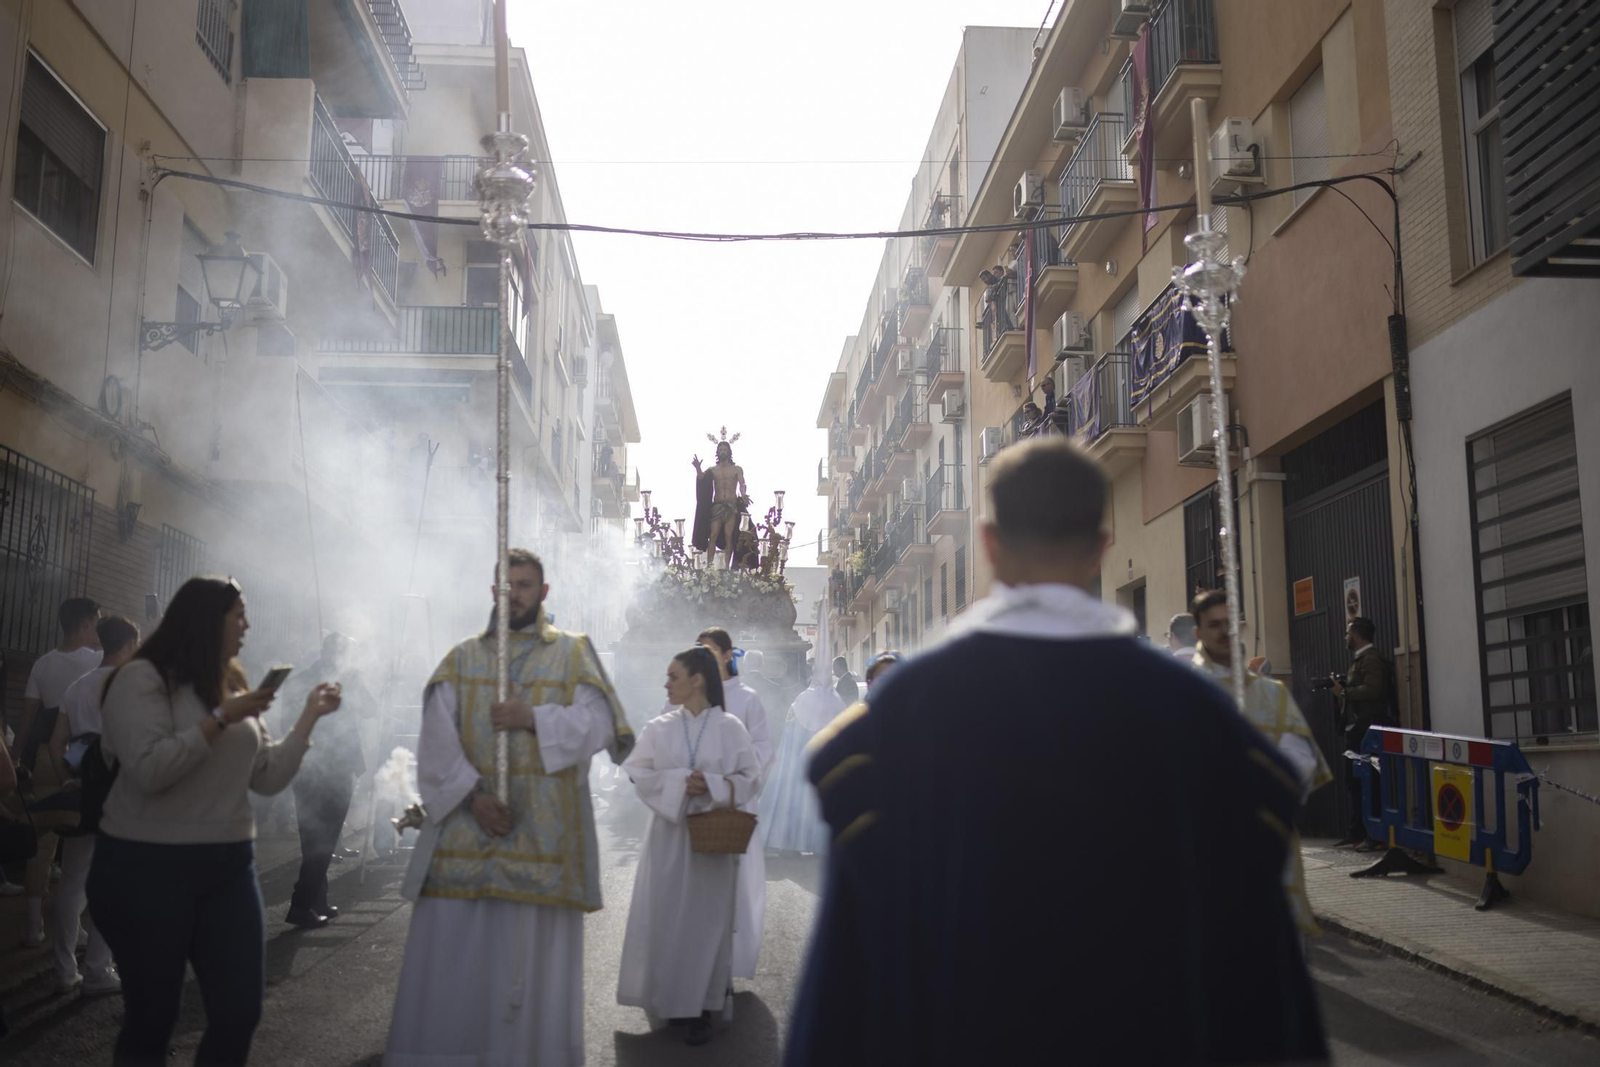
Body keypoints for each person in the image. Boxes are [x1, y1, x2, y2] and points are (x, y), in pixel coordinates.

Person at [786, 439, 1326, 1067]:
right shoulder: (1199, 716)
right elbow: (1261, 976)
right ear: (1101, 545)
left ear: (988, 546)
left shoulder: (899, 716)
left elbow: (845, 979)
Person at [385, 548, 633, 1067]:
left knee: (530, 975)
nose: (513, 594)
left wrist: (533, 716)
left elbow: (600, 725)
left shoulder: (573, 653)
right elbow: (435, 743)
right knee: (459, 972)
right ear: (492, 591)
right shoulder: (461, 660)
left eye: (524, 585)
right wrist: (474, 799)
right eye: (506, 585)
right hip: (467, 844)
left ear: (543, 594)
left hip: (543, 847)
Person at [86, 577, 342, 1066]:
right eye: (238, 613)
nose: (247, 624)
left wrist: (309, 717)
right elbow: (150, 770)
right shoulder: (140, 679)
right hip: (146, 865)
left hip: (228, 865)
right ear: (206, 618)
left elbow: (266, 777)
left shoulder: (232, 681)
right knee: (153, 1018)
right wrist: (220, 718)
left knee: (240, 1011)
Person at [617, 647, 761, 1047]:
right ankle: (670, 1001)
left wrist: (714, 787)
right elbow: (634, 769)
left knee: (706, 923)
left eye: (673, 675)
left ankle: (701, 1006)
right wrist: (680, 782)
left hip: (711, 842)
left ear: (697, 679)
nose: (666, 684)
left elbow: (750, 777)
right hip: (668, 837)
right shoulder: (659, 727)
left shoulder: (731, 727)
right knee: (666, 917)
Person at [1190, 590, 1333, 935]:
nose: (1224, 631)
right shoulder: (1180, 692)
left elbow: (1300, 763)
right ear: (1198, 632)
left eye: (1229, 623)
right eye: (1214, 625)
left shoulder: (1272, 694)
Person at [50, 615, 139, 995]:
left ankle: (64, 970)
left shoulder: (77, 686)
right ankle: (98, 972)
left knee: (72, 883)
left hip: (82, 790)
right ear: (130, 645)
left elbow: (57, 745)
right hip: (120, 794)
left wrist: (68, 777)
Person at [16, 597, 103, 945]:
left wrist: (15, 758)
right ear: (83, 625)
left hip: (43, 755)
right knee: (81, 844)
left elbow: (26, 720)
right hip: (80, 754)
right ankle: (74, 928)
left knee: (43, 839)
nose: (97, 630)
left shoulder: (42, 664)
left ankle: (33, 923)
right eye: (95, 623)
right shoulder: (97, 660)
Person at [691, 627, 773, 982]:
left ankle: (725, 968)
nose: (705, 658)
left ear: (728, 655)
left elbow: (763, 748)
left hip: (735, 803)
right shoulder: (688, 693)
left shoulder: (747, 698)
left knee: (734, 888)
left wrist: (728, 777)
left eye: (711, 651)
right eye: (700, 651)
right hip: (694, 802)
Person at [284, 632, 376, 928]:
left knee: (316, 839)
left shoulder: (310, 679)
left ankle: (318, 900)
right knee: (321, 840)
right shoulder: (321, 681)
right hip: (324, 768)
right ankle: (301, 905)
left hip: (312, 767)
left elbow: (370, 710)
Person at [760, 654, 842, 858]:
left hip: (798, 763)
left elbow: (790, 733)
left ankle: (791, 841)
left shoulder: (802, 699)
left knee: (794, 800)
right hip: (826, 764)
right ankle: (819, 842)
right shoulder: (837, 700)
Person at [1332, 616, 1393, 850]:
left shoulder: (1371, 660)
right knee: (1354, 782)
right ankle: (1356, 831)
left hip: (1369, 729)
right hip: (1357, 730)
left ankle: (1375, 834)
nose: (1346, 637)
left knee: (1370, 781)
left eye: (1348, 633)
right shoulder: (1359, 661)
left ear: (1357, 635)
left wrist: (1345, 693)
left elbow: (1374, 690)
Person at [692, 441, 748, 569]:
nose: (723, 452)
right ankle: (710, 566)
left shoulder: (736, 469)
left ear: (729, 452)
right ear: (717, 452)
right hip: (717, 505)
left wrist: (743, 494)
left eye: (725, 449)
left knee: (729, 535)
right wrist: (697, 468)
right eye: (721, 449)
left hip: (731, 506)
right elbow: (702, 478)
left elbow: (742, 484)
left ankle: (726, 567)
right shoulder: (713, 470)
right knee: (713, 535)